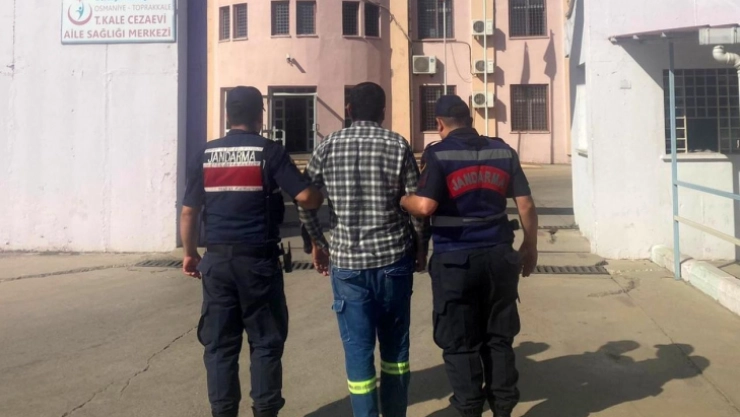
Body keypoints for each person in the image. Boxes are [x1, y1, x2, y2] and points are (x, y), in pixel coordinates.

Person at [180, 86, 323, 417]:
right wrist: (318, 195)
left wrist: (190, 253)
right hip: (258, 263)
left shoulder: (205, 154)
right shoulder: (269, 152)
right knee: (265, 342)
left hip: (216, 262)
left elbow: (189, 212)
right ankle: (266, 410)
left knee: (220, 346)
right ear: (260, 115)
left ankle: (223, 411)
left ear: (227, 115)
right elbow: (305, 197)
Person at [400, 95, 538, 417]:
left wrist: (403, 199)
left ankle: (469, 408)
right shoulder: (503, 151)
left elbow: (425, 206)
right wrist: (529, 247)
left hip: (455, 261)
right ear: (470, 119)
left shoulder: (438, 154)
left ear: (439, 123)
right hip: (500, 257)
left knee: (460, 341)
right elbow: (526, 204)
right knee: (499, 338)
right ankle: (503, 408)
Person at [298, 82, 429, 417]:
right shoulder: (397, 145)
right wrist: (420, 248)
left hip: (348, 266)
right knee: (395, 351)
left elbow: (305, 201)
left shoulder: (327, 146)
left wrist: (319, 243)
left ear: (349, 110)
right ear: (383, 112)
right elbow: (415, 205)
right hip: (393, 261)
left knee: (358, 352)